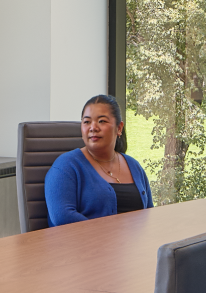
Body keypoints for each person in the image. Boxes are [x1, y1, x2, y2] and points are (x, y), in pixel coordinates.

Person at [44, 94, 151, 224]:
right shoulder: (66, 166)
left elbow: (149, 213)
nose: (93, 128)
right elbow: (62, 217)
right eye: (87, 122)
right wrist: (111, 237)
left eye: (102, 121)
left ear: (119, 128)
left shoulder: (134, 166)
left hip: (136, 243)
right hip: (85, 243)